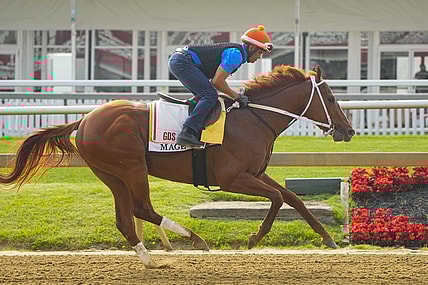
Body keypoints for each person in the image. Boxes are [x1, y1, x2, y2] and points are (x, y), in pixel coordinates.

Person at [168, 25, 273, 148]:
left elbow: (217, 82)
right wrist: (237, 97)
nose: (259, 58)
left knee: (206, 96)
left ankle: (194, 129)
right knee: (210, 95)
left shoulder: (237, 53)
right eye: (259, 53)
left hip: (180, 60)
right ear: (251, 48)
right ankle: (187, 132)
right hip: (182, 61)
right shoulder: (236, 55)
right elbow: (217, 82)